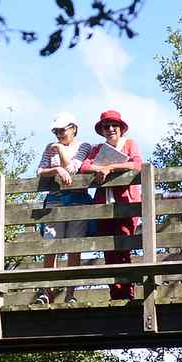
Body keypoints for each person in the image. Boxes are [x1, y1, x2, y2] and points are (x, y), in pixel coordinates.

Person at [85, 109, 145, 300]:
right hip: (104, 206)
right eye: (106, 126)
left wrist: (110, 167)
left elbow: (137, 164)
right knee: (109, 251)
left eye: (114, 125)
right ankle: (115, 295)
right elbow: (85, 166)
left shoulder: (129, 144)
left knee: (123, 248)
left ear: (121, 128)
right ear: (102, 130)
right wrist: (99, 168)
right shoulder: (97, 149)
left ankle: (127, 295)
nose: (111, 129)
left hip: (125, 204)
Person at [36, 113, 95, 304]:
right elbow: (40, 171)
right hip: (55, 200)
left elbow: (72, 169)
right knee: (51, 245)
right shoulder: (49, 147)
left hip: (78, 201)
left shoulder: (84, 146)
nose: (58, 134)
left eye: (62, 130)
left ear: (73, 128)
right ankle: (47, 291)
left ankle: (70, 292)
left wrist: (60, 152)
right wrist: (56, 170)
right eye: (56, 131)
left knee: (73, 248)